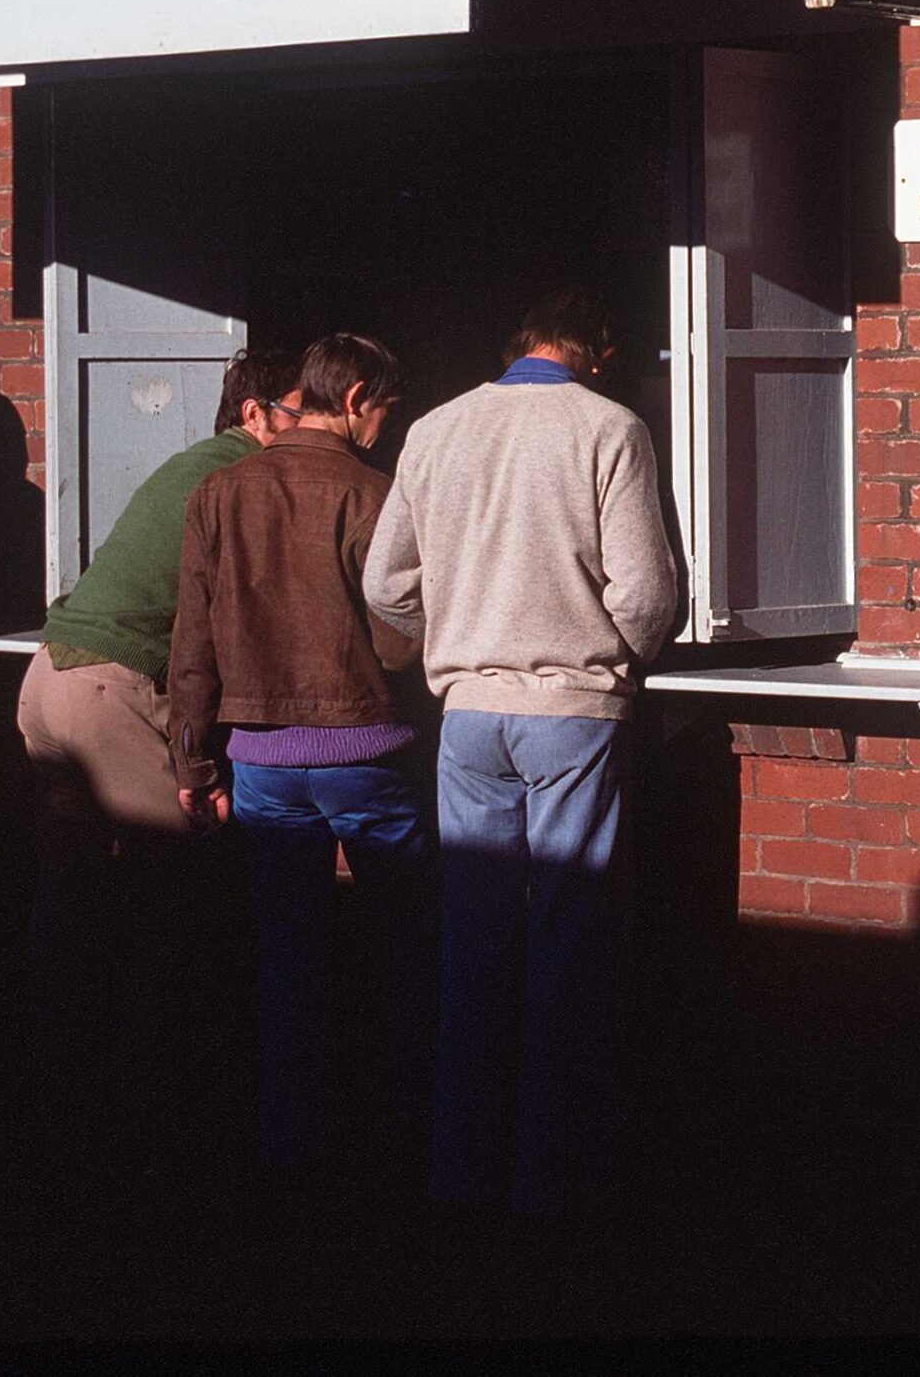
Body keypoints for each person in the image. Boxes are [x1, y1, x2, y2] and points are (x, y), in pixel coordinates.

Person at [364, 284, 678, 1218]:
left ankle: (460, 1174)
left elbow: (386, 580)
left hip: (468, 714)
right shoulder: (610, 428)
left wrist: (456, 631)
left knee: (477, 943)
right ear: (597, 349)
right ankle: (553, 1185)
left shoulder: (435, 428)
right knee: (567, 945)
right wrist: (603, 654)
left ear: (521, 343)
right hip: (574, 712)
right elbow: (648, 597)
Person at [15, 348, 302, 1113]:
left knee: (74, 886)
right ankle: (157, 1094)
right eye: (303, 411)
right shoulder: (244, 479)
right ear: (256, 414)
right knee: (182, 886)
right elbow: (225, 628)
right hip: (107, 686)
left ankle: (54, 1068)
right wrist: (201, 764)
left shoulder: (196, 463)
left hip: (48, 679)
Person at [170, 333, 427, 1179]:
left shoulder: (217, 492)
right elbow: (397, 646)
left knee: (288, 960)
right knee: (407, 950)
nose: (386, 428)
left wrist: (193, 766)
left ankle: (293, 1145)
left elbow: (193, 646)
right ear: (354, 399)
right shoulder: (375, 493)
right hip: (367, 753)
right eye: (384, 410)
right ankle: (406, 1128)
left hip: (263, 766)